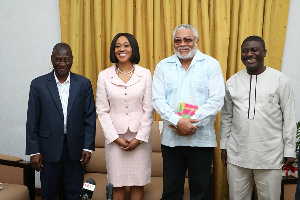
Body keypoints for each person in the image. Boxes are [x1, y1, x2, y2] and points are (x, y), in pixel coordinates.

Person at [152, 24, 225, 200]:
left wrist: (190, 123)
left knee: (200, 193)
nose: (182, 44)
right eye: (178, 40)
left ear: (197, 41)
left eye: (187, 39)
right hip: (171, 141)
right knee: (171, 192)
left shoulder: (211, 65)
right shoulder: (163, 66)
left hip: (202, 141)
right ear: (173, 43)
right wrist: (178, 122)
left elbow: (217, 100)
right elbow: (157, 99)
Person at [220, 35, 296, 200]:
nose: (249, 54)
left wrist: (290, 149)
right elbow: (226, 117)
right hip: (237, 153)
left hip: (270, 154)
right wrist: (224, 146)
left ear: (264, 53)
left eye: (254, 50)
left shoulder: (280, 80)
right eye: (245, 51)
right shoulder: (232, 82)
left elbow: (289, 117)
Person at [26, 43, 96, 200]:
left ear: (72, 60)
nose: (62, 64)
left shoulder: (83, 84)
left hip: (75, 150)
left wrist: (88, 146)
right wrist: (34, 151)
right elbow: (32, 120)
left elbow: (90, 117)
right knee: (49, 194)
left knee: (74, 194)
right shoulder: (38, 85)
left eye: (66, 59)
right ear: (52, 60)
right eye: (58, 59)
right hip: (48, 149)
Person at [96, 33, 153, 200]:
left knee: (137, 183)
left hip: (139, 139)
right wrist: (115, 138)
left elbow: (149, 108)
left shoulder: (145, 74)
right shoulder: (104, 75)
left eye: (126, 45)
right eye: (118, 46)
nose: (122, 49)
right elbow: (102, 110)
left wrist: (140, 138)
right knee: (117, 184)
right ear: (113, 50)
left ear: (133, 48)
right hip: (115, 141)